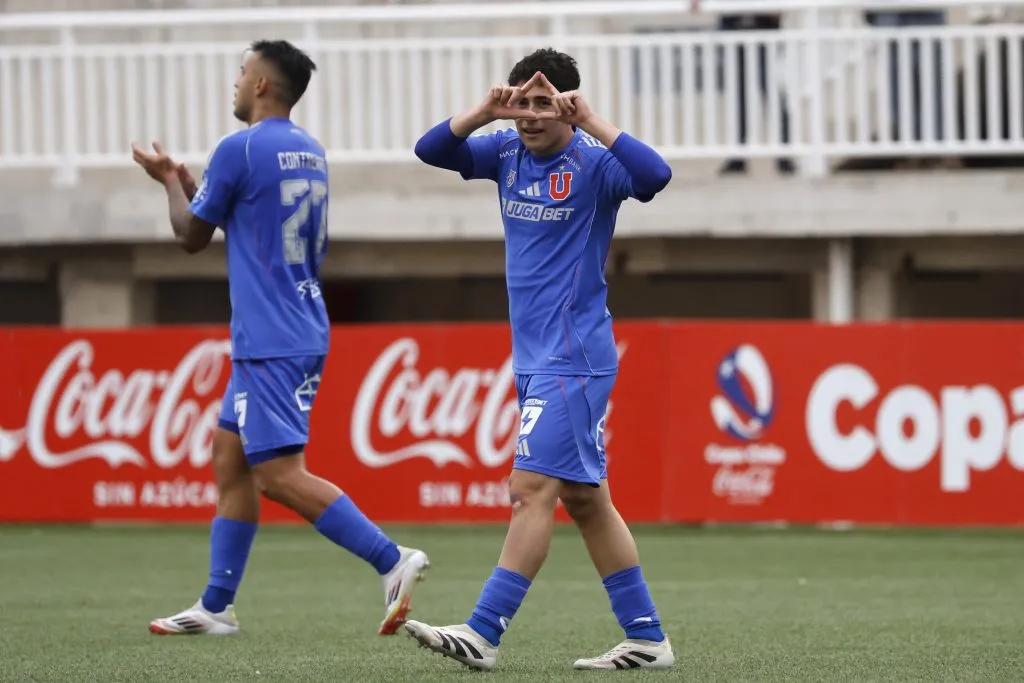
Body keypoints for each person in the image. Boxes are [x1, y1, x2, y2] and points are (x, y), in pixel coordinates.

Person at [130, 39, 429, 637]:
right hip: (291, 324)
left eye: (242, 73)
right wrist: (198, 188)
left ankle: (391, 561)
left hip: (271, 337)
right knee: (230, 457)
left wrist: (168, 181)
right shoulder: (309, 151)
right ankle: (216, 606)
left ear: (263, 84)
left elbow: (191, 235)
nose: (236, 83)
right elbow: (250, 218)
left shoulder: (239, 148)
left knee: (277, 474)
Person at [406, 48, 675, 672]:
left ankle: (482, 631)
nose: (528, 116)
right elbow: (430, 151)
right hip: (534, 359)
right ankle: (647, 638)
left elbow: (655, 175)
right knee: (585, 501)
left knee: (530, 489)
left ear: (568, 106)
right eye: (521, 102)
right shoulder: (504, 152)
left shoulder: (594, 164)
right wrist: (482, 111)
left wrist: (593, 122)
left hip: (573, 357)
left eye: (542, 103)